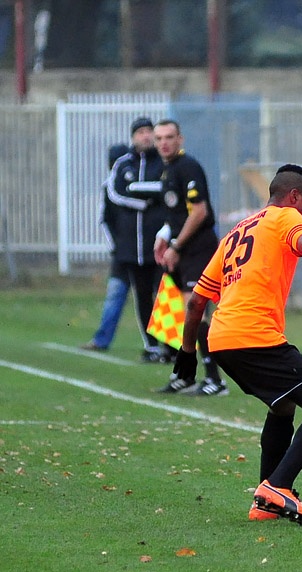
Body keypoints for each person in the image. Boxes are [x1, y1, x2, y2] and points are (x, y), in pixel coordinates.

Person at [170, 164, 302, 524]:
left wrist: (188, 352)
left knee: (283, 407)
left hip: (221, 338)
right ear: (293, 196)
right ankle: (278, 485)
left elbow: (195, 303)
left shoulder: (237, 231)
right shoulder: (285, 217)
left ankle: (265, 501)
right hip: (254, 335)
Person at [83, 118, 172, 362]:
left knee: (164, 294)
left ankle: (170, 346)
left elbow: (166, 190)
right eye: (140, 132)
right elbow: (115, 191)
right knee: (141, 297)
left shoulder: (163, 163)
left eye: (148, 132)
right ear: (133, 137)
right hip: (132, 249)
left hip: (159, 246)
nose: (145, 137)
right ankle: (151, 346)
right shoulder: (123, 164)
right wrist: (143, 200)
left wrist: (141, 190)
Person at [152, 119, 228, 396]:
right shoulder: (168, 170)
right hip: (182, 248)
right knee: (178, 311)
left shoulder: (188, 167)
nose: (164, 143)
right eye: (159, 138)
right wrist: (165, 236)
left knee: (195, 312)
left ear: (180, 139)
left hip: (198, 249)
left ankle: (214, 380)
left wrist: (176, 246)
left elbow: (199, 213)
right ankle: (185, 374)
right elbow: (178, 213)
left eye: (169, 137)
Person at [81, 142, 132, 353]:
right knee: (116, 294)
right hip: (123, 253)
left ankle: (163, 346)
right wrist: (116, 247)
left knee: (155, 299)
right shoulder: (110, 187)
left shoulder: (138, 185)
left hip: (146, 252)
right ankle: (102, 339)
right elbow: (106, 221)